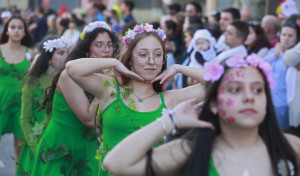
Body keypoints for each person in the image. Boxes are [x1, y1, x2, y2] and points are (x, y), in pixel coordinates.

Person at [103, 53, 300, 176]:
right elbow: (115, 163)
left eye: (258, 90)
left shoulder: (291, 147)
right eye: (235, 90)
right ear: (213, 103)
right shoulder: (191, 149)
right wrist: (169, 121)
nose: (249, 97)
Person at [66, 23, 207, 175]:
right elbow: (72, 69)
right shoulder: (110, 89)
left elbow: (216, 84)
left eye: (158, 54)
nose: (151, 61)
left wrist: (179, 68)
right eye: (143, 54)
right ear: (130, 59)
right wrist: (114, 62)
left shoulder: (169, 99)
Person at [30, 21, 120, 176]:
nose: (106, 50)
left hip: (89, 145)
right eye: (99, 45)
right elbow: (89, 120)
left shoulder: (112, 74)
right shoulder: (69, 76)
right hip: (61, 146)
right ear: (86, 51)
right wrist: (106, 82)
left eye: (109, 45)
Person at [16, 36, 72, 175]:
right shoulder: (32, 83)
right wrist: (36, 147)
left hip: (65, 142)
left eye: (68, 52)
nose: (66, 56)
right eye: (61, 52)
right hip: (41, 143)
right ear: (48, 57)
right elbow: (24, 119)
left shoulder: (71, 81)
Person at [0, 15, 34, 170]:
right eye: (13, 27)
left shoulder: (31, 53)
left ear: (25, 32)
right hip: (1, 101)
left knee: (20, 147)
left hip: (22, 104)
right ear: (6, 30)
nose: (16, 31)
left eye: (20, 28)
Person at [263, 22, 300, 129]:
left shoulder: (295, 57)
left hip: (284, 103)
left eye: (290, 36)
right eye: (283, 35)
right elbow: (261, 66)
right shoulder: (272, 52)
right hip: (269, 101)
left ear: (297, 38)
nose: (286, 38)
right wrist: (275, 55)